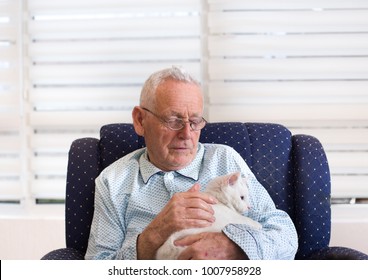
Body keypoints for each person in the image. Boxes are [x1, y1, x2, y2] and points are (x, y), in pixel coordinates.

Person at [85, 66, 298, 260]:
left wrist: (233, 247)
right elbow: (98, 266)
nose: (186, 134)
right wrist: (155, 234)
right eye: (173, 121)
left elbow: (284, 235)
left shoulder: (224, 160)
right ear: (141, 120)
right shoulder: (112, 181)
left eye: (195, 122)